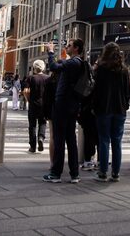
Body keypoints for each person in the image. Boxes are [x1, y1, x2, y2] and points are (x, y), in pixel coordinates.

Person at [43, 40, 86, 183]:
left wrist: (50, 51)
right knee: (70, 139)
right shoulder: (77, 63)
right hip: (72, 104)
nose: (66, 47)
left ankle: (56, 173)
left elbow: (54, 66)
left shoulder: (74, 62)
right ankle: (74, 173)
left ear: (76, 48)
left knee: (60, 138)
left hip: (63, 104)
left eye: (69, 45)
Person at [91, 42, 130, 182]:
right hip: (119, 109)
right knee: (117, 141)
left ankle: (102, 172)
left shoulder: (100, 69)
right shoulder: (124, 70)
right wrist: (125, 105)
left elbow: (95, 91)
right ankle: (115, 173)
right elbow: (127, 92)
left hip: (103, 109)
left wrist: (94, 106)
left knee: (104, 140)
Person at [23, 60, 49, 153]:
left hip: (33, 104)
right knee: (43, 122)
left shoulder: (30, 78)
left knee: (32, 125)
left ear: (34, 68)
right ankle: (41, 138)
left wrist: (28, 100)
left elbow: (25, 91)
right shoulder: (47, 78)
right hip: (44, 105)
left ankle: (32, 146)